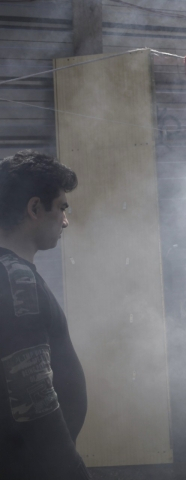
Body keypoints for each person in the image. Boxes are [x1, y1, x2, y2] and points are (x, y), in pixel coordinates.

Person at [0, 151, 90, 479]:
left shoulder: (11, 274)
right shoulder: (15, 281)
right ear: (35, 208)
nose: (65, 220)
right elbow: (33, 405)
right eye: (62, 207)